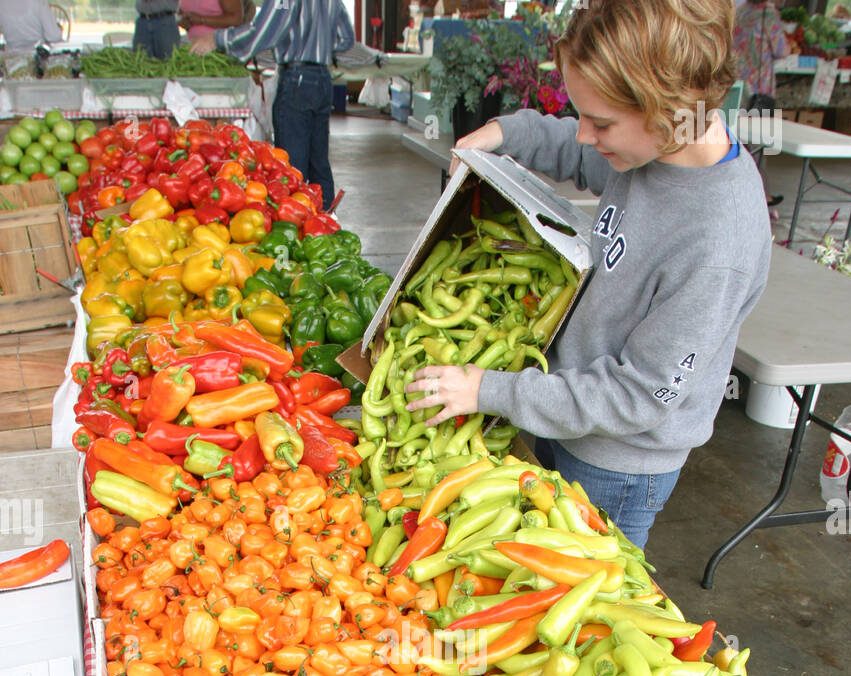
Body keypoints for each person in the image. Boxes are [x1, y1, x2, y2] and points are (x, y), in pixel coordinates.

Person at [406, 0, 773, 551]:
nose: (584, 135)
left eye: (600, 122)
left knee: (586, 594)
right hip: (563, 410)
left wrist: (490, 390)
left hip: (619, 465)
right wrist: (506, 133)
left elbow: (638, 397)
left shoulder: (716, 242)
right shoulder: (659, 147)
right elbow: (576, 151)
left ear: (666, 109)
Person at [190, 0, 355, 211]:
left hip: (297, 78)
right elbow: (346, 39)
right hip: (322, 77)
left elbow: (264, 32)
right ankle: (328, 224)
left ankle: (298, 229)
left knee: (290, 168)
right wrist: (316, 46)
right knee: (319, 163)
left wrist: (217, 39)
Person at [733, 0, 789, 106]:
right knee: (758, 122)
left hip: (737, 83)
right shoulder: (769, 15)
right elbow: (781, 51)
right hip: (759, 87)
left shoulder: (739, 11)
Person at [178, 0, 254, 45]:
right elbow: (179, 12)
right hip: (193, 46)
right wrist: (182, 21)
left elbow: (236, 18)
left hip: (219, 47)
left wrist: (201, 19)